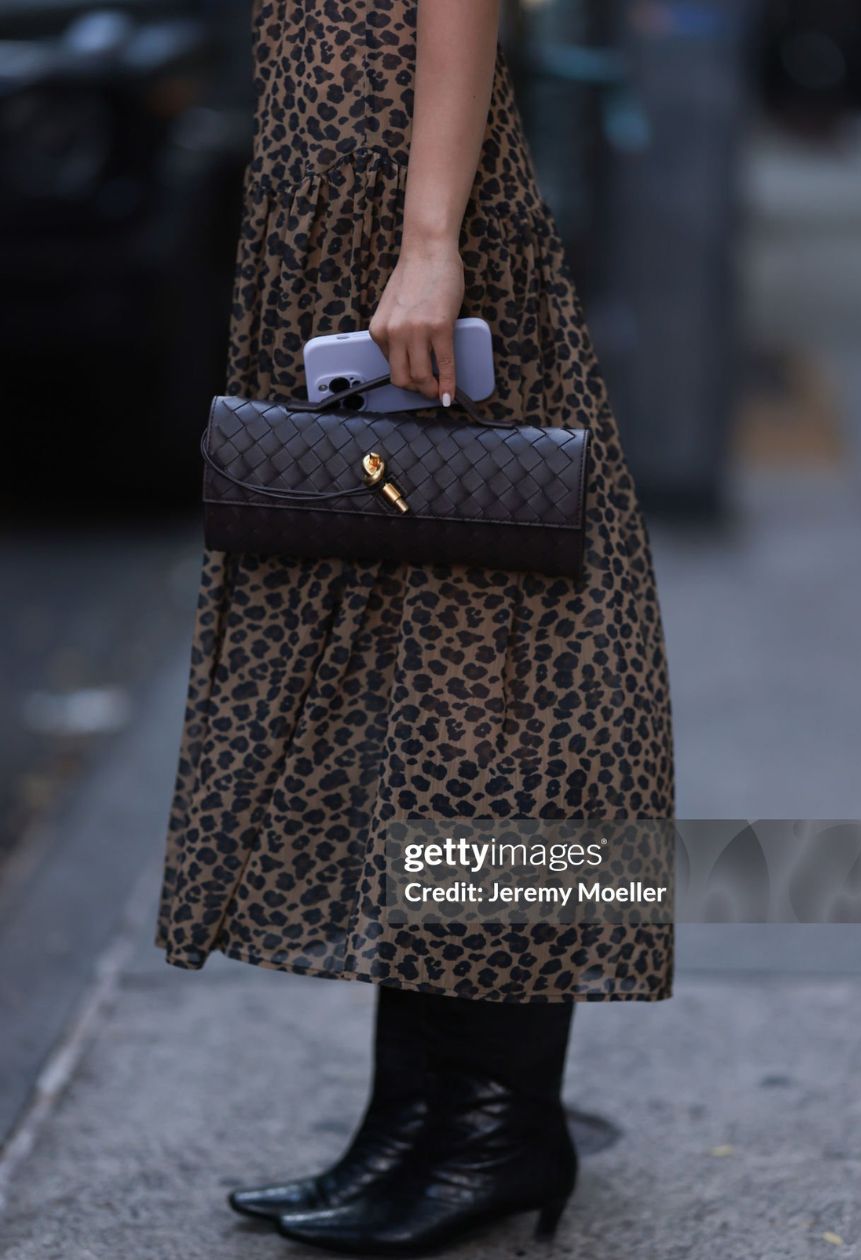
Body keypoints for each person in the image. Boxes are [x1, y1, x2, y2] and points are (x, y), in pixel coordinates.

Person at [155, 1, 675, 1252]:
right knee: (411, 680)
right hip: (344, 223)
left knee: (493, 684)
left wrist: (431, 237)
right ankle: (420, 1116)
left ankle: (499, 1125)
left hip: (411, 223)